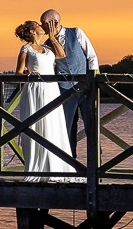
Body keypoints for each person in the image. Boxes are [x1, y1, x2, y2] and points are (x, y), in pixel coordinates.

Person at [13, 20, 75, 178]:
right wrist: (28, 74)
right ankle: (37, 167)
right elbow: (18, 73)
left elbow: (61, 55)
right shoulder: (26, 49)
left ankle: (56, 164)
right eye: (38, 25)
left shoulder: (48, 48)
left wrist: (53, 38)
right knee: (37, 125)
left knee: (53, 124)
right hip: (36, 90)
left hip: (51, 89)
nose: (42, 27)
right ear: (33, 32)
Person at [40, 9, 98, 161]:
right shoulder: (46, 44)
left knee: (91, 125)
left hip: (85, 88)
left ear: (55, 23)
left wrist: (92, 81)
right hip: (65, 90)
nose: (41, 27)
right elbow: (52, 63)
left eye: (44, 24)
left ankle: (95, 162)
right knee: (67, 127)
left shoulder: (76, 32)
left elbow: (91, 57)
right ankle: (69, 162)